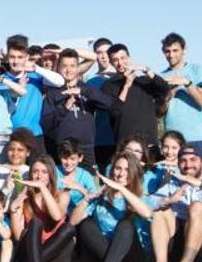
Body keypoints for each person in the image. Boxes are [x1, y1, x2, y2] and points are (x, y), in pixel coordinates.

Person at [70, 152, 155, 262]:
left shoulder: (139, 196)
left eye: (127, 170)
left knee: (126, 224)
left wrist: (122, 189)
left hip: (131, 255)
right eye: (118, 168)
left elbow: (147, 213)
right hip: (103, 254)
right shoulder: (101, 195)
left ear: (133, 173)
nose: (121, 174)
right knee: (86, 224)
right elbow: (73, 221)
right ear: (112, 170)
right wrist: (87, 199)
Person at [0, 35, 65, 156]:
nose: (16, 61)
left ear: (27, 58)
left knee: (39, 172)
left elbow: (60, 81)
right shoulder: (3, 80)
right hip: (12, 137)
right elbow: (11, 98)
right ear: (7, 57)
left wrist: (36, 68)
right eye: (12, 57)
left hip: (35, 135)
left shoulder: (35, 76)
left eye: (20, 57)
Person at [10, 156, 74, 262]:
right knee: (36, 222)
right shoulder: (25, 198)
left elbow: (57, 216)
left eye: (44, 172)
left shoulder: (62, 195)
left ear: (51, 174)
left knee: (69, 228)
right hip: (30, 251)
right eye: (36, 172)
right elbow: (18, 235)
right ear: (30, 174)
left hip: (54, 256)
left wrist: (43, 188)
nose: (39, 176)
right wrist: (15, 208)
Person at [42, 48, 114, 167]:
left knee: (88, 183)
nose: (68, 69)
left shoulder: (87, 89)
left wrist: (83, 92)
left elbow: (110, 104)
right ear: (58, 68)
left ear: (78, 68)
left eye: (72, 65)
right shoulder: (53, 93)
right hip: (63, 148)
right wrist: (65, 108)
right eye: (64, 66)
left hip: (87, 149)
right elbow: (46, 123)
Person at [102, 43, 172, 147]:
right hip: (124, 143)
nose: (120, 63)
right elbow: (114, 111)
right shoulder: (109, 85)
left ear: (129, 58)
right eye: (115, 60)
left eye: (123, 58)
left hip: (149, 141)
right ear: (111, 62)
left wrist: (146, 70)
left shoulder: (144, 81)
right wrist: (126, 85)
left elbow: (165, 89)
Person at [156, 33, 202, 161]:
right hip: (172, 141)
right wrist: (168, 97)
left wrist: (187, 83)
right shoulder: (160, 76)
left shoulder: (197, 70)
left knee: (198, 179)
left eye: (175, 50)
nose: (171, 55)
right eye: (167, 51)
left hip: (196, 137)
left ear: (184, 49)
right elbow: (158, 113)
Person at [84, 38, 119, 166]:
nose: (103, 56)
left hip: (119, 137)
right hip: (100, 139)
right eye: (99, 52)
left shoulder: (121, 77)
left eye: (107, 52)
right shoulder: (90, 81)